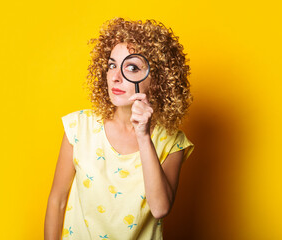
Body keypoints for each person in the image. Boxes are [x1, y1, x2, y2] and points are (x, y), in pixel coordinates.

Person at [44, 18, 194, 240]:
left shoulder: (172, 142)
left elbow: (160, 208)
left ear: (158, 78)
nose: (115, 76)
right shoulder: (78, 128)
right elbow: (57, 201)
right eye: (112, 65)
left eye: (132, 67)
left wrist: (143, 136)